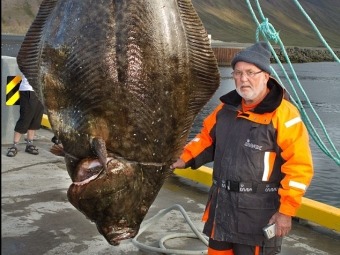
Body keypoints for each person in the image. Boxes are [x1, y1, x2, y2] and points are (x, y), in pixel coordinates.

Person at [170, 41, 314, 255]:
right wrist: (180, 159)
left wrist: (286, 212)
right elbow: (205, 141)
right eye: (237, 73)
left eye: (250, 72)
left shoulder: (286, 115)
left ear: (266, 76)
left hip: (258, 215)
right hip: (221, 209)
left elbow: (299, 168)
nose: (242, 79)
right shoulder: (224, 110)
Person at [6, 75, 44, 157]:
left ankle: (30, 144)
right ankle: (14, 145)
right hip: (28, 90)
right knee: (25, 118)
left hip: (41, 91)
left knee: (35, 119)